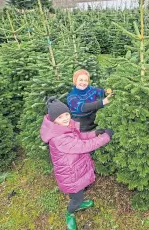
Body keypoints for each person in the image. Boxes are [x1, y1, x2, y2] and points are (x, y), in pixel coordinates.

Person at [40, 97, 114, 230]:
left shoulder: (65, 128)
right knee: (76, 197)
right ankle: (70, 212)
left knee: (79, 192)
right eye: (60, 117)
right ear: (53, 119)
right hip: (70, 175)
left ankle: (78, 203)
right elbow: (84, 146)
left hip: (75, 169)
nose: (65, 118)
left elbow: (80, 138)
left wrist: (94, 133)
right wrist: (106, 137)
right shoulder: (59, 138)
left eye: (67, 114)